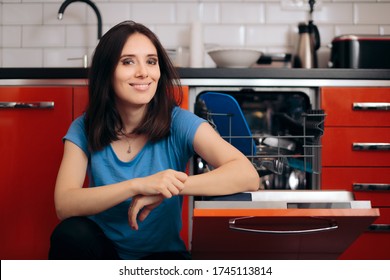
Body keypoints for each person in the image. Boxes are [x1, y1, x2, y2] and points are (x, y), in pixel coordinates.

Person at [48, 20, 260, 260]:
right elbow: (64, 203)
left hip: (163, 258)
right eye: (128, 61)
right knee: (71, 234)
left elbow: (247, 174)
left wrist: (167, 188)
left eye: (151, 61)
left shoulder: (179, 122)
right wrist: (138, 185)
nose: (144, 72)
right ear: (107, 72)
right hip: (104, 254)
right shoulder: (85, 127)